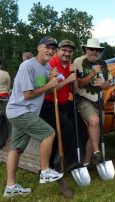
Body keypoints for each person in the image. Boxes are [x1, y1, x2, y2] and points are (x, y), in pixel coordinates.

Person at [3, 36, 63, 197]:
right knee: (49, 133)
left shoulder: (46, 67)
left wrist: (52, 81)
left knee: (16, 149)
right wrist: (49, 84)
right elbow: (28, 94)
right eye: (47, 47)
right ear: (39, 47)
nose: (50, 51)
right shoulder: (27, 66)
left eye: (53, 48)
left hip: (24, 112)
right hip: (21, 110)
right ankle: (45, 171)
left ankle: (10, 187)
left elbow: (45, 89)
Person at [40, 39, 78, 171]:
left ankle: (55, 166)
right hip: (48, 104)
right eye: (64, 50)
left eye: (70, 51)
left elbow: (75, 90)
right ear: (58, 51)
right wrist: (67, 80)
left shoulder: (70, 66)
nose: (67, 53)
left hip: (62, 104)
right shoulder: (51, 64)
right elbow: (48, 90)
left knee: (77, 126)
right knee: (65, 129)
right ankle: (69, 163)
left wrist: (74, 75)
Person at [74, 38, 112, 166]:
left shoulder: (103, 63)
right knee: (94, 121)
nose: (94, 52)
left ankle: (86, 162)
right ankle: (97, 151)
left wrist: (103, 84)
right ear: (86, 50)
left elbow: (107, 84)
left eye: (97, 50)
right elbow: (78, 84)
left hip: (99, 101)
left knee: (94, 132)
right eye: (91, 49)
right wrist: (93, 74)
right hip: (84, 100)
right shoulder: (78, 62)